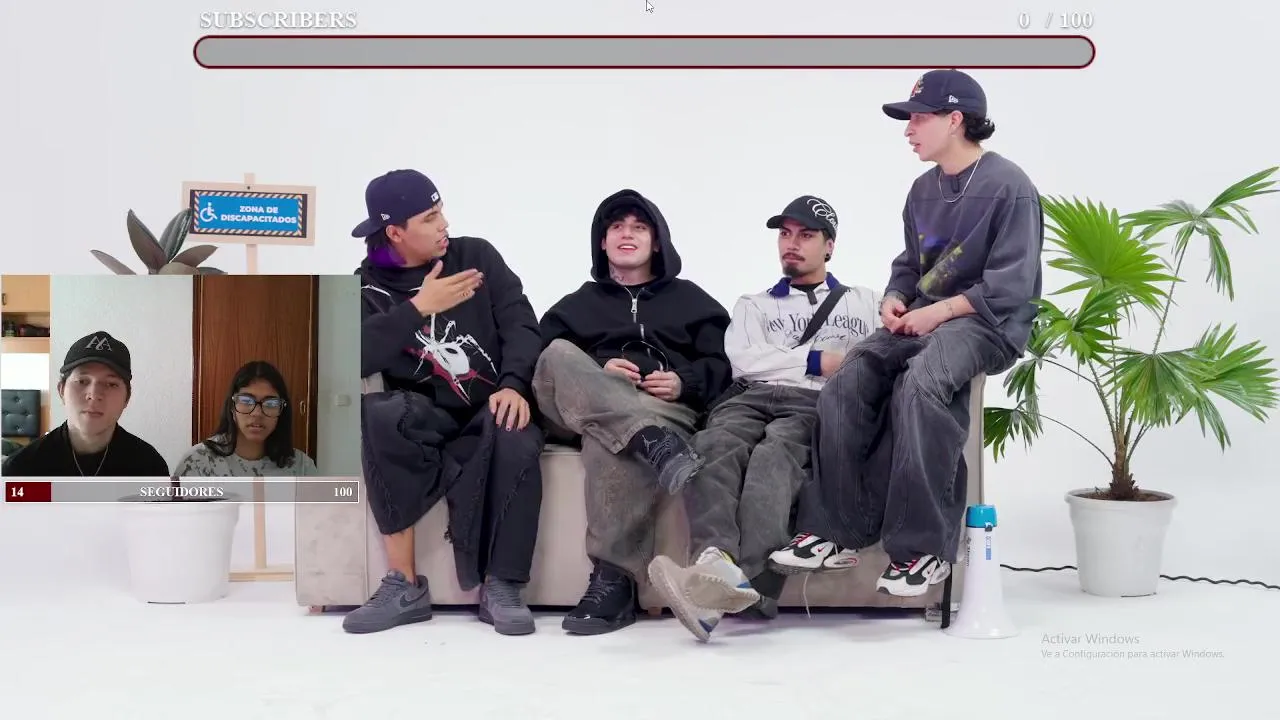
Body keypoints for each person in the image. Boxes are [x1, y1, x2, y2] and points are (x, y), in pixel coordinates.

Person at [769, 69, 1044, 597]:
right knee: (849, 378)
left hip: (988, 323)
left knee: (922, 382)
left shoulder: (1010, 186)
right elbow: (910, 266)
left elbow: (1010, 286)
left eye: (918, 118)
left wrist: (937, 314)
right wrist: (895, 298)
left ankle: (924, 549)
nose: (908, 130)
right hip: (923, 316)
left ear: (955, 119)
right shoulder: (922, 190)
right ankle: (835, 531)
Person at [646, 196, 882, 641]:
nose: (792, 243)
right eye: (785, 234)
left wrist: (791, 361)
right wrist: (817, 360)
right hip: (750, 397)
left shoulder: (865, 303)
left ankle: (747, 587)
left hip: (813, 403)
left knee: (774, 457)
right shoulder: (753, 305)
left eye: (806, 235)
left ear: (830, 246)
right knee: (712, 446)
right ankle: (714, 561)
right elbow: (744, 361)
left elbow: (871, 362)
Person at [342, 169, 545, 637]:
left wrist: (514, 384)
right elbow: (348, 355)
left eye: (441, 211)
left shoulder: (475, 257)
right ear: (395, 232)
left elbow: (521, 322)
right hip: (425, 413)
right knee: (377, 414)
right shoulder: (366, 286)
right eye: (430, 218)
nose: (444, 224)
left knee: (514, 430)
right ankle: (403, 585)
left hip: (490, 403)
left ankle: (503, 585)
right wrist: (418, 308)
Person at [533, 188, 732, 635]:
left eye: (639, 227)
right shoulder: (574, 306)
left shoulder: (693, 302)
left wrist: (684, 381)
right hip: (579, 409)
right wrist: (598, 372)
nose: (627, 234)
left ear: (657, 241)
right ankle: (649, 441)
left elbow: (726, 365)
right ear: (602, 242)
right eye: (617, 227)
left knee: (609, 441)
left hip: (661, 409)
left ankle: (614, 581)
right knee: (558, 352)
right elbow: (543, 368)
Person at [2, 331, 169, 477]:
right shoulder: (21, 469)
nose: (94, 395)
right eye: (82, 381)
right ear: (61, 390)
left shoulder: (150, 466)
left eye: (111, 384)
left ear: (127, 398)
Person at [173, 360, 319, 477]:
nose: (257, 413)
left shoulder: (301, 467)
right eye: (246, 401)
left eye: (270, 403)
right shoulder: (197, 462)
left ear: (282, 410)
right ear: (232, 406)